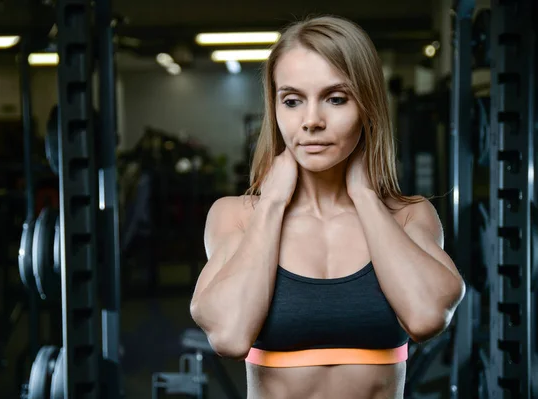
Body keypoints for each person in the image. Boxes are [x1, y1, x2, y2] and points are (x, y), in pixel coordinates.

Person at [190, 15, 465, 399]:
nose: (312, 121)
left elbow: (425, 317)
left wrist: (366, 196)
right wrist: (272, 202)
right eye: (292, 100)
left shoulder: (408, 215)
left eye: (336, 99)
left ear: (367, 106)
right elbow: (230, 335)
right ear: (275, 108)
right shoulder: (236, 216)